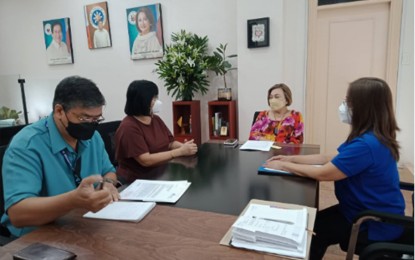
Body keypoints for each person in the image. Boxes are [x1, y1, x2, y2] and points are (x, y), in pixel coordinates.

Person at [264, 77, 405, 259]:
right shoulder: (372, 137)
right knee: (314, 229)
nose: (344, 106)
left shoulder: (366, 145)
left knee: (310, 233)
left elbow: (324, 173)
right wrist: (293, 158)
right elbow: (329, 158)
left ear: (363, 108)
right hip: (359, 209)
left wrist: (283, 165)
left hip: (372, 221)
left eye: (348, 102)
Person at [1, 76, 120, 237]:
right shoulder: (27, 145)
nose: (91, 124)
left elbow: (109, 171)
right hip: (36, 237)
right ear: (59, 111)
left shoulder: (93, 138)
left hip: (83, 225)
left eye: (96, 119)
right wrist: (73, 200)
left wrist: (108, 183)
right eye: (84, 118)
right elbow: (18, 213)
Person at [115, 80, 197, 183]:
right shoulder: (128, 127)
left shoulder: (155, 119)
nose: (157, 101)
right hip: (137, 181)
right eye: (153, 98)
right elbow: (146, 160)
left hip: (160, 175)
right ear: (142, 101)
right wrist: (179, 152)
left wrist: (185, 147)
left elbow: (170, 143)